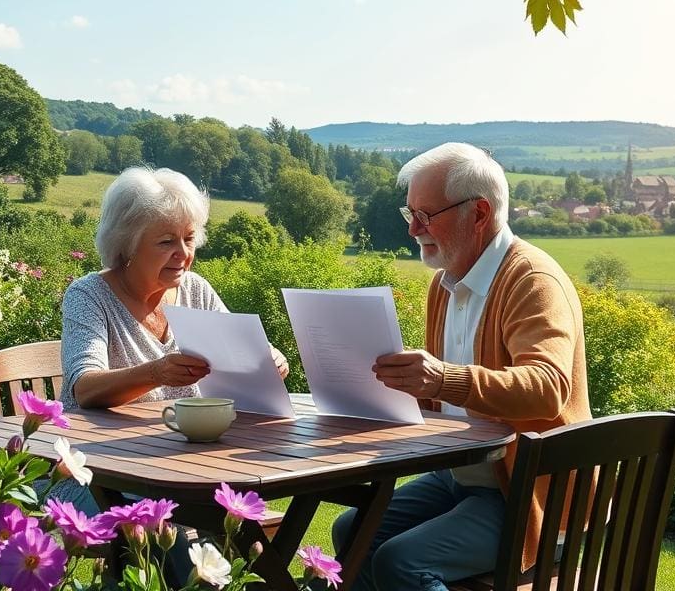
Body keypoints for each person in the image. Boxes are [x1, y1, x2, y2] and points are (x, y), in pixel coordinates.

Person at [331, 143, 591, 591]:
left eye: (426, 215)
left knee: (401, 562)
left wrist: (441, 378)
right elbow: (443, 396)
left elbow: (548, 387)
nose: (413, 229)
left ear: (480, 213)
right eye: (408, 213)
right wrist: (391, 381)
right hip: (466, 476)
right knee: (350, 531)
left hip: (528, 493)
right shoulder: (444, 283)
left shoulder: (532, 280)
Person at [57, 166, 289, 578]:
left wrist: (269, 357)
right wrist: (157, 372)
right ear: (125, 245)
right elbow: (84, 388)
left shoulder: (195, 289)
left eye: (189, 237)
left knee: (232, 535)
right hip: (99, 474)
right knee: (175, 545)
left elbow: (239, 346)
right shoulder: (89, 295)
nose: (183, 252)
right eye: (166, 242)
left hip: (184, 469)